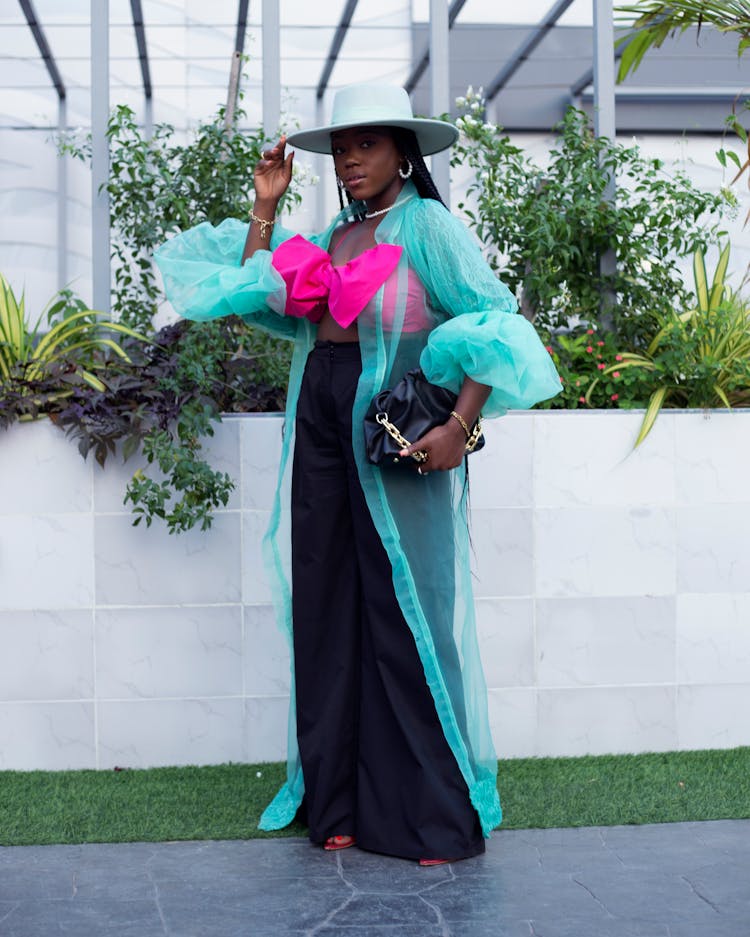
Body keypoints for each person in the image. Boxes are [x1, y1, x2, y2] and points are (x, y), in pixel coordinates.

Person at [155, 83, 560, 865]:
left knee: (404, 607)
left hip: (393, 433)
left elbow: (496, 318)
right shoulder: (338, 235)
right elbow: (254, 298)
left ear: (403, 152)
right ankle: (337, 801)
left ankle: (431, 816)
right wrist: (265, 206)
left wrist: (457, 424)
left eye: (367, 143)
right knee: (329, 606)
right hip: (319, 425)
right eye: (342, 146)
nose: (350, 158)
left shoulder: (428, 226)